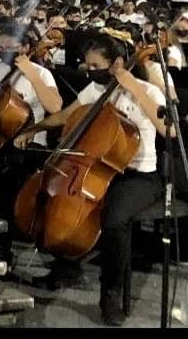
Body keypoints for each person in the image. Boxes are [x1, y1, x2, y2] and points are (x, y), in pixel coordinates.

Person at [14, 30, 169, 326]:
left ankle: (110, 293)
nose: (89, 71)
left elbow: (168, 131)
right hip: (99, 169)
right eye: (86, 65)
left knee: (113, 219)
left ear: (117, 64)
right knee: (64, 202)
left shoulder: (149, 93)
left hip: (140, 176)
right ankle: (66, 266)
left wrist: (134, 88)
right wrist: (33, 130)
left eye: (96, 65)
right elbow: (66, 115)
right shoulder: (94, 92)